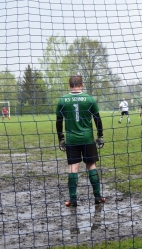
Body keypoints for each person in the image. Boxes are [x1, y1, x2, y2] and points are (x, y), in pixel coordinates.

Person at [56, 75, 105, 207]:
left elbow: (59, 122)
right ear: (82, 84)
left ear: (69, 85)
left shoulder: (63, 100)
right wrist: (100, 135)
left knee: (73, 168)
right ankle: (98, 197)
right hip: (87, 138)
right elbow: (97, 119)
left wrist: (61, 138)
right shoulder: (89, 99)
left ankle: (73, 199)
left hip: (72, 140)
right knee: (91, 166)